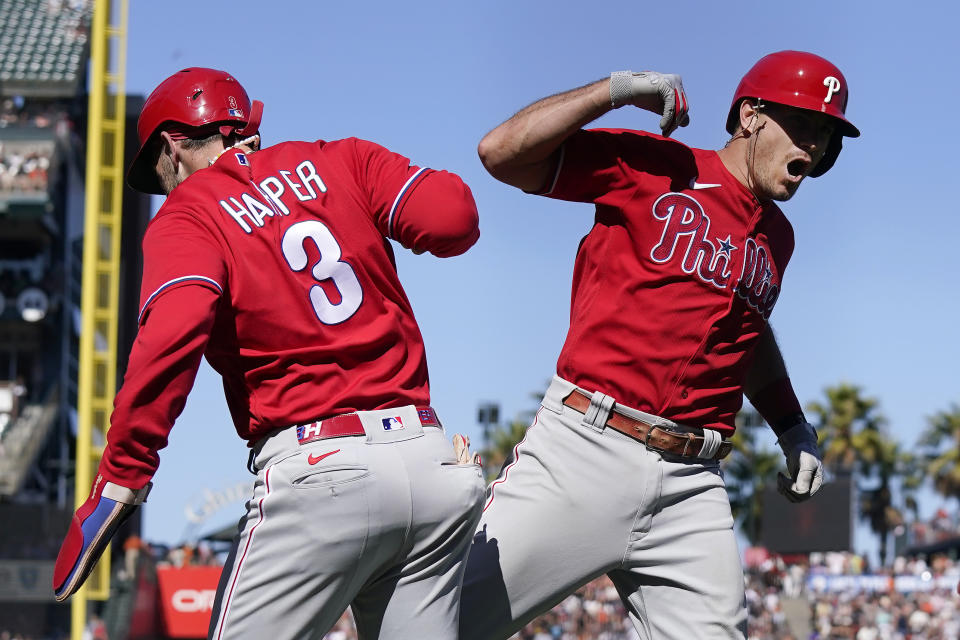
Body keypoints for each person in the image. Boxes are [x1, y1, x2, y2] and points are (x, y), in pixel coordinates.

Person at [53, 67, 486, 640]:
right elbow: (453, 220)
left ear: (173, 146)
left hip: (319, 470)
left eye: (160, 175)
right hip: (431, 464)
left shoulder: (189, 213)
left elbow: (170, 341)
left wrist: (122, 475)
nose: (165, 190)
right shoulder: (341, 158)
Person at [459, 50, 859, 640]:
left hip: (693, 483)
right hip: (586, 447)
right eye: (803, 123)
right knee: (442, 624)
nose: (817, 144)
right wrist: (614, 90)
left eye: (826, 132)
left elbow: (746, 331)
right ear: (750, 115)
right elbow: (500, 153)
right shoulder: (657, 166)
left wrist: (793, 427)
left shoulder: (779, 236)